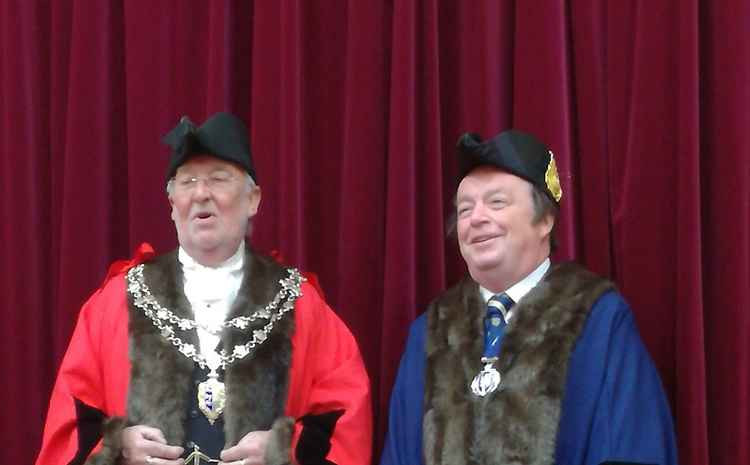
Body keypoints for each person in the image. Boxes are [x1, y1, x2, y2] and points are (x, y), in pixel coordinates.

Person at [36, 112, 372, 465]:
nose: (200, 193)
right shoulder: (113, 305)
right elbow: (68, 429)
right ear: (172, 204)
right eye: (187, 180)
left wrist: (288, 451)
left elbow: (346, 425)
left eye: (218, 179)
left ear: (253, 199)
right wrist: (115, 448)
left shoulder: (302, 307)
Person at [379, 130, 678, 465]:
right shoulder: (430, 334)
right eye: (464, 209)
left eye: (497, 202)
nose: (476, 218)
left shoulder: (597, 321)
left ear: (545, 220)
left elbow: (630, 449)